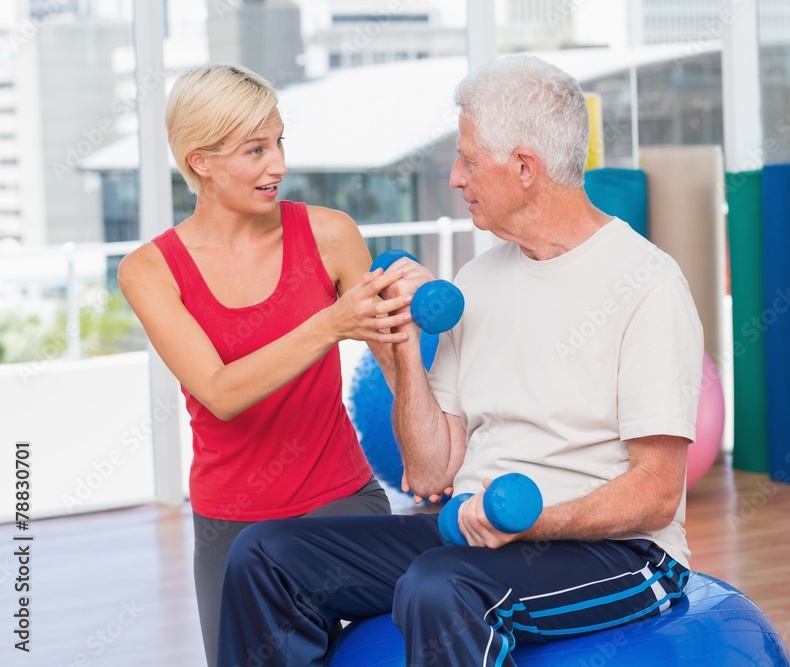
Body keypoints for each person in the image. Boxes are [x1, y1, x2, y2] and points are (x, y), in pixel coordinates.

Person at [215, 54, 704, 667]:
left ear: (524, 168)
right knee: (265, 554)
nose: (454, 177)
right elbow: (428, 468)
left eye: (469, 159)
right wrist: (398, 340)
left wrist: (535, 524)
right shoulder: (478, 280)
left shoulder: (646, 284)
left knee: (442, 586)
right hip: (473, 530)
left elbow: (656, 496)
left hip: (621, 553)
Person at [116, 64, 414, 667]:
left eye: (279, 143)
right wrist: (331, 324)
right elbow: (220, 391)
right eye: (255, 150)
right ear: (201, 160)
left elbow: (394, 361)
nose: (277, 164)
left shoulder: (330, 234)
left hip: (342, 504)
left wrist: (440, 452)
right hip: (231, 523)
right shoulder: (150, 270)